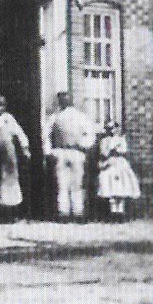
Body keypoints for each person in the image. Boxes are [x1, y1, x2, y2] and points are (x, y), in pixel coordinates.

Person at [44, 92, 96, 220]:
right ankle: (68, 211)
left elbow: (90, 134)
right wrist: (83, 145)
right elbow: (46, 136)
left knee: (71, 183)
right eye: (62, 100)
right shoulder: (58, 117)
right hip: (66, 152)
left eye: (63, 100)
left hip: (71, 152)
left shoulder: (60, 117)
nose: (62, 102)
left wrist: (82, 145)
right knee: (66, 183)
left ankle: (71, 211)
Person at [95, 120, 140, 220]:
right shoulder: (104, 141)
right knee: (110, 186)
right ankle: (113, 212)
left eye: (113, 128)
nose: (112, 131)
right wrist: (111, 149)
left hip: (120, 163)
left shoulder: (121, 139)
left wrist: (116, 149)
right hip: (109, 163)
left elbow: (123, 150)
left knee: (121, 186)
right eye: (109, 129)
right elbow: (104, 153)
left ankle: (120, 212)